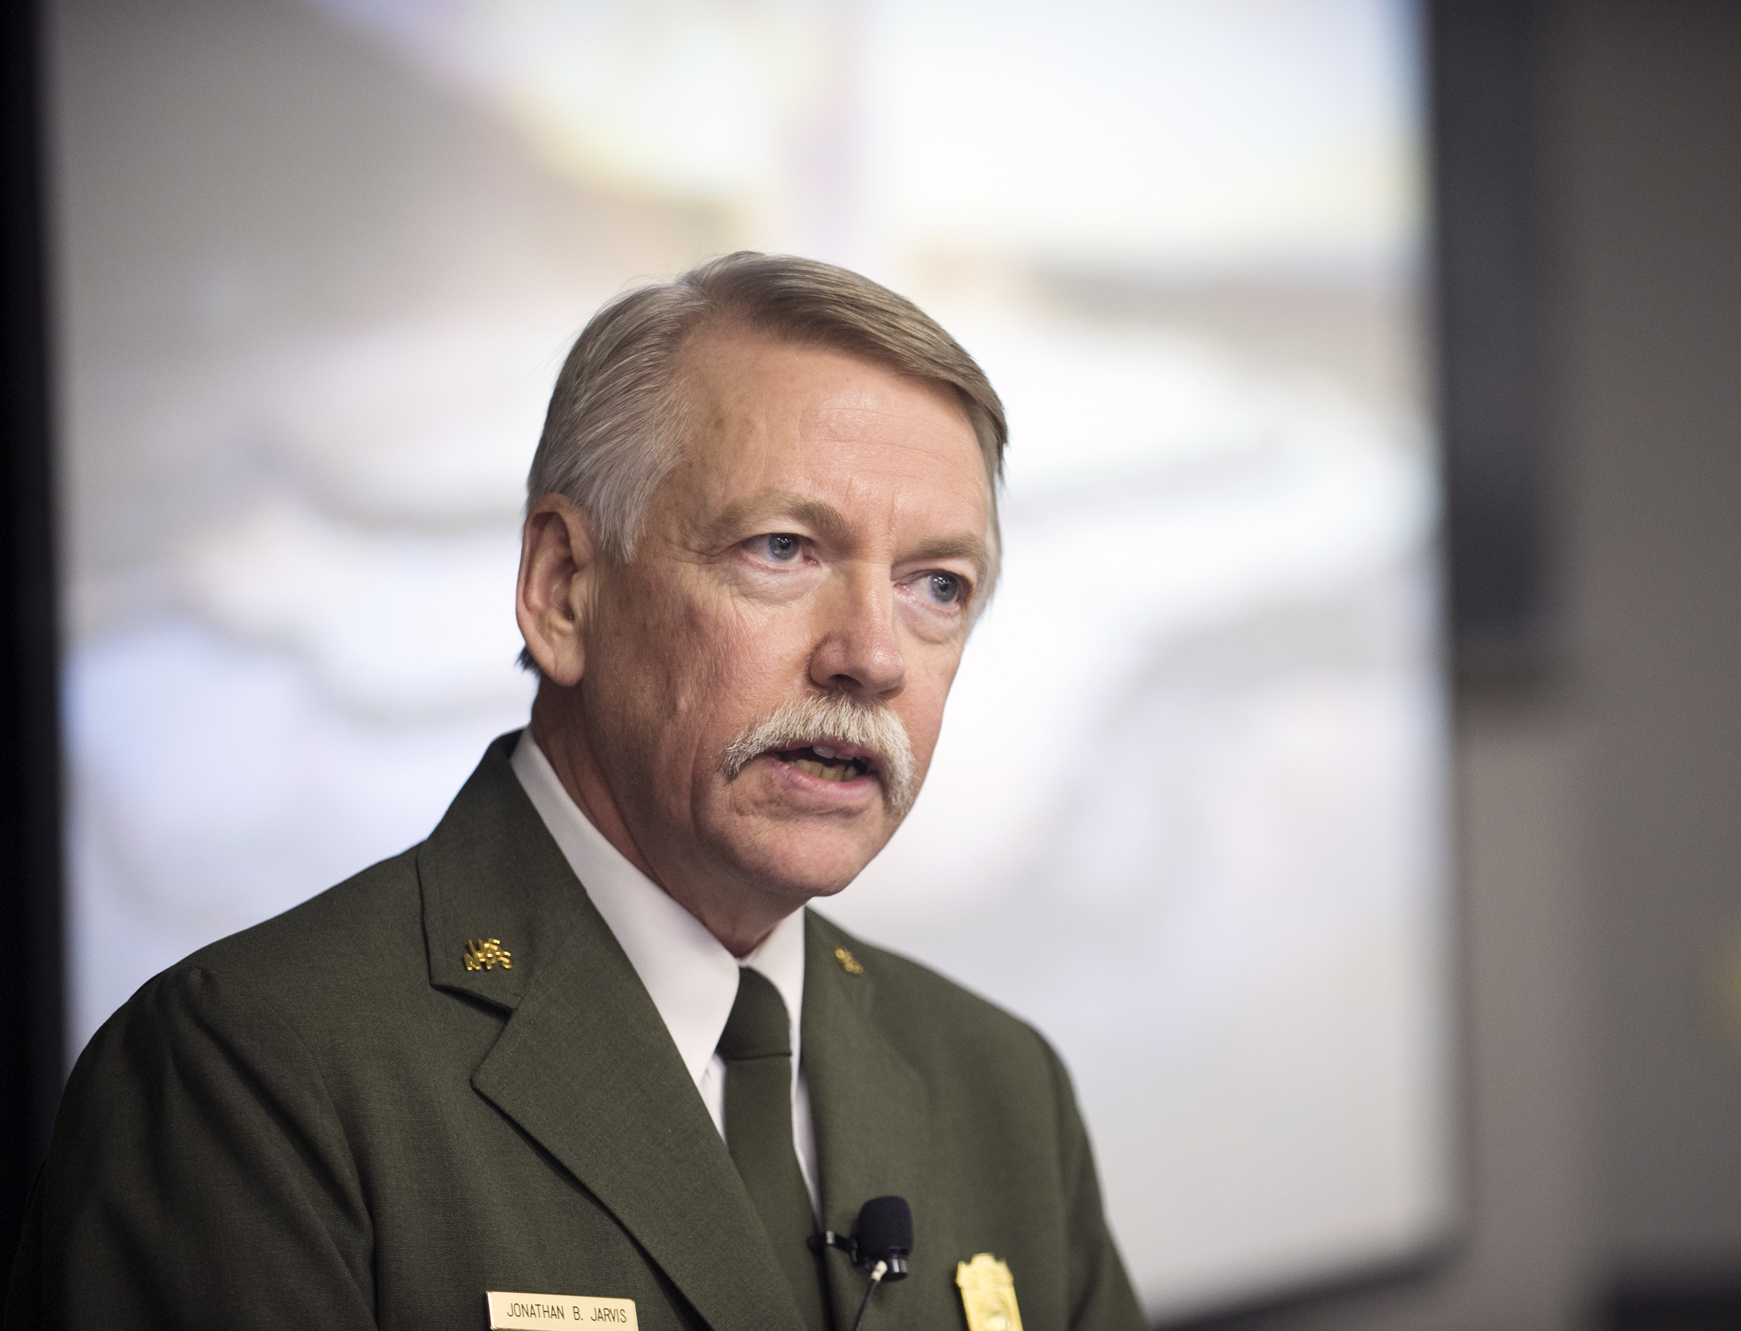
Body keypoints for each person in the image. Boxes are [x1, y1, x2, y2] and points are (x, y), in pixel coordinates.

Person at [6, 254, 1148, 1331]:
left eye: (936, 584)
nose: (872, 655)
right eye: (782, 547)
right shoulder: (253, 1081)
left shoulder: (1002, 1086)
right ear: (562, 588)